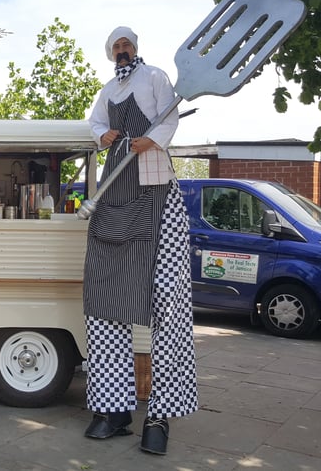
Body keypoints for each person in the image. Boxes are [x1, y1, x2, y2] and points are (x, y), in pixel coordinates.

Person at [82, 26, 197, 455]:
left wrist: (153, 139)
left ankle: (160, 415)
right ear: (110, 53)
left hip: (154, 192)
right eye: (115, 45)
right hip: (113, 194)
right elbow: (94, 121)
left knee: (167, 306)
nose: (121, 49)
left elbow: (170, 118)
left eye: (126, 43)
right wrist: (103, 136)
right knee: (104, 302)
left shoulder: (156, 78)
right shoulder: (107, 89)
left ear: (136, 46)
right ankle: (112, 411)